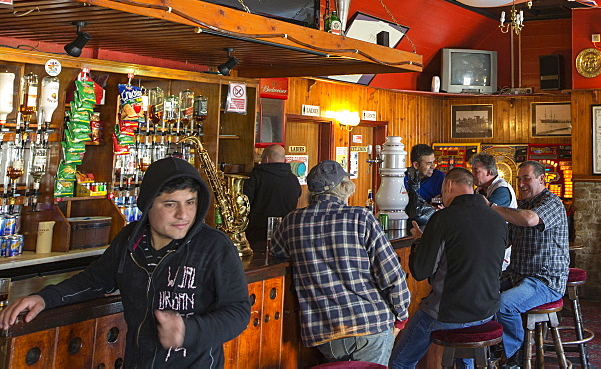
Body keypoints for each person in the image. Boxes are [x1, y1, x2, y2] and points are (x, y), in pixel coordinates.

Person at [0, 156, 250, 367]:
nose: (183, 214)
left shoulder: (215, 246)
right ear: (148, 205)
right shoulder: (130, 241)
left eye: (190, 203)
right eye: (170, 204)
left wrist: (189, 330)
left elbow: (238, 312)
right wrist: (45, 298)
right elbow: (95, 280)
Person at [269, 159, 409, 365]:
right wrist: (402, 316)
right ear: (345, 187)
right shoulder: (361, 217)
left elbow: (276, 252)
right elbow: (391, 275)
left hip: (325, 332)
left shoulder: (292, 221)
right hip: (370, 324)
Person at [388, 167, 507, 369]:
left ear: (449, 185)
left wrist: (420, 242)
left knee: (400, 362)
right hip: (486, 310)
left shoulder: (443, 218)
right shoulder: (498, 219)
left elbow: (420, 271)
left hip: (450, 311)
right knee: (465, 355)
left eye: (443, 191)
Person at [489, 161, 569, 367]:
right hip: (517, 275)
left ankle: (516, 354)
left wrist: (492, 207)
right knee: (480, 293)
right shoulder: (522, 206)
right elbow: (503, 240)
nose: (522, 184)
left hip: (545, 281)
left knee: (504, 304)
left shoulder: (552, 203)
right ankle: (494, 347)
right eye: (519, 179)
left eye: (527, 178)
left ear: (542, 179)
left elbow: (530, 220)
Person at [244, 144, 302, 246]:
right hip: (285, 234)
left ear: (266, 159)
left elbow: (245, 202)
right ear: (284, 160)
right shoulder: (293, 179)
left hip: (257, 234)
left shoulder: (256, 176)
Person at [404, 143, 445, 228]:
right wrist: (428, 207)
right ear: (416, 165)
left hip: (434, 225)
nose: (433, 166)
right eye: (428, 163)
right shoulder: (403, 178)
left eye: (434, 162)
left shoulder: (439, 177)